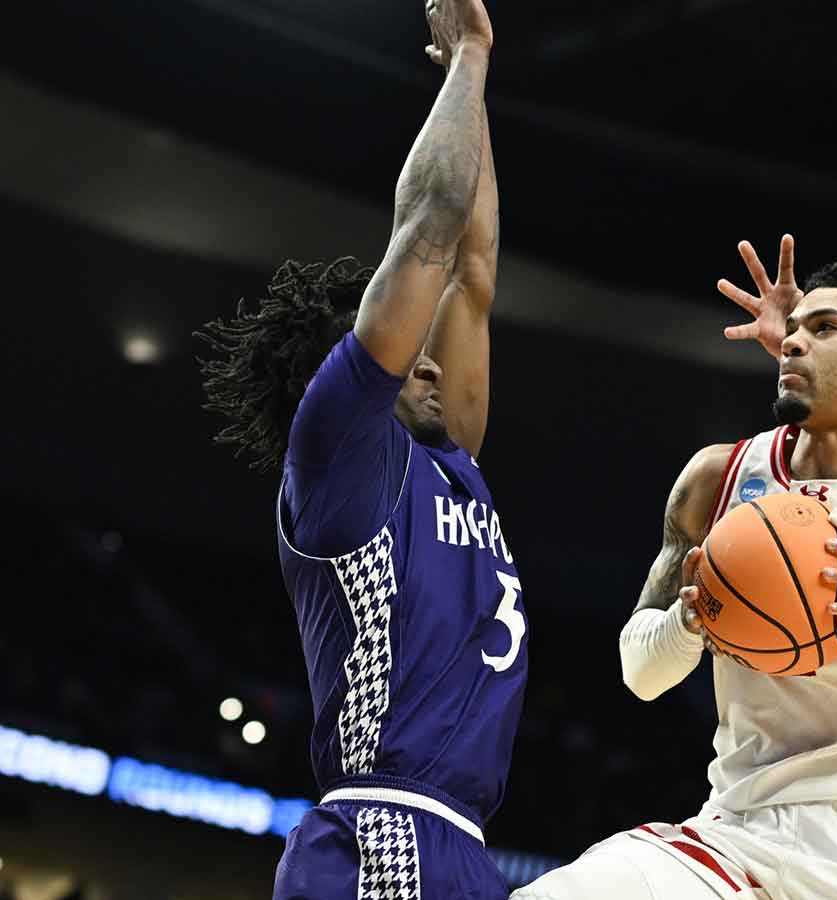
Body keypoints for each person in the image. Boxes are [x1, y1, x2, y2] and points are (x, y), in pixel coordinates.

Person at [515, 237, 837, 900]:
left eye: (825, 329)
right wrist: (690, 617)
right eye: (792, 331)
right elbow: (640, 674)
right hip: (739, 836)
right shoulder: (717, 479)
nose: (793, 343)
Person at [195, 2, 521, 896]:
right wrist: (471, 61)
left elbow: (474, 267)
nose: (428, 358)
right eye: (403, 348)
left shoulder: (451, 454)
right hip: (382, 830)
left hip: (462, 843)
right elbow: (429, 223)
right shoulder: (339, 451)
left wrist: (476, 76)